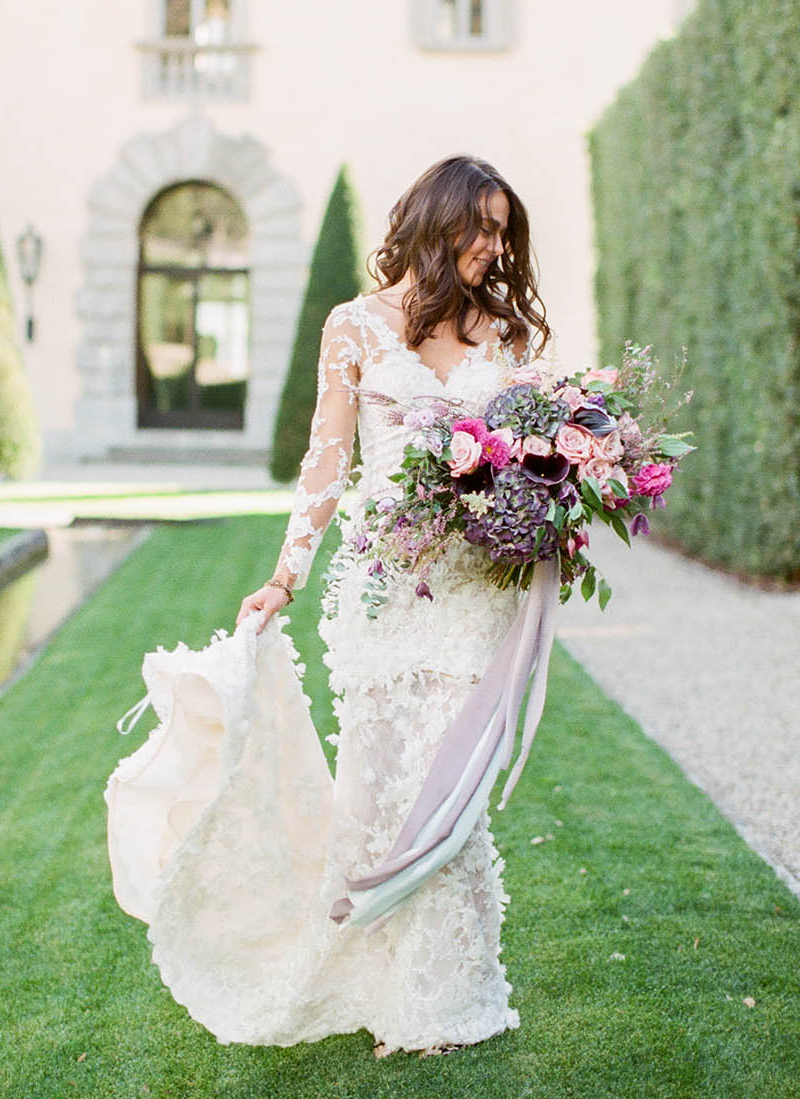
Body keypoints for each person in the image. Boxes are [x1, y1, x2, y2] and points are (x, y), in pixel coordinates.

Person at [105, 154, 553, 1056]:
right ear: (437, 224)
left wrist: (550, 493)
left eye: (505, 230)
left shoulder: (500, 332)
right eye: (482, 227)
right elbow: (326, 463)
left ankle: (444, 997)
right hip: (384, 591)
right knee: (380, 793)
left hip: (472, 593)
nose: (494, 247)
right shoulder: (352, 327)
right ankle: (378, 985)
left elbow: (527, 447)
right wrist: (285, 574)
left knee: (448, 791)